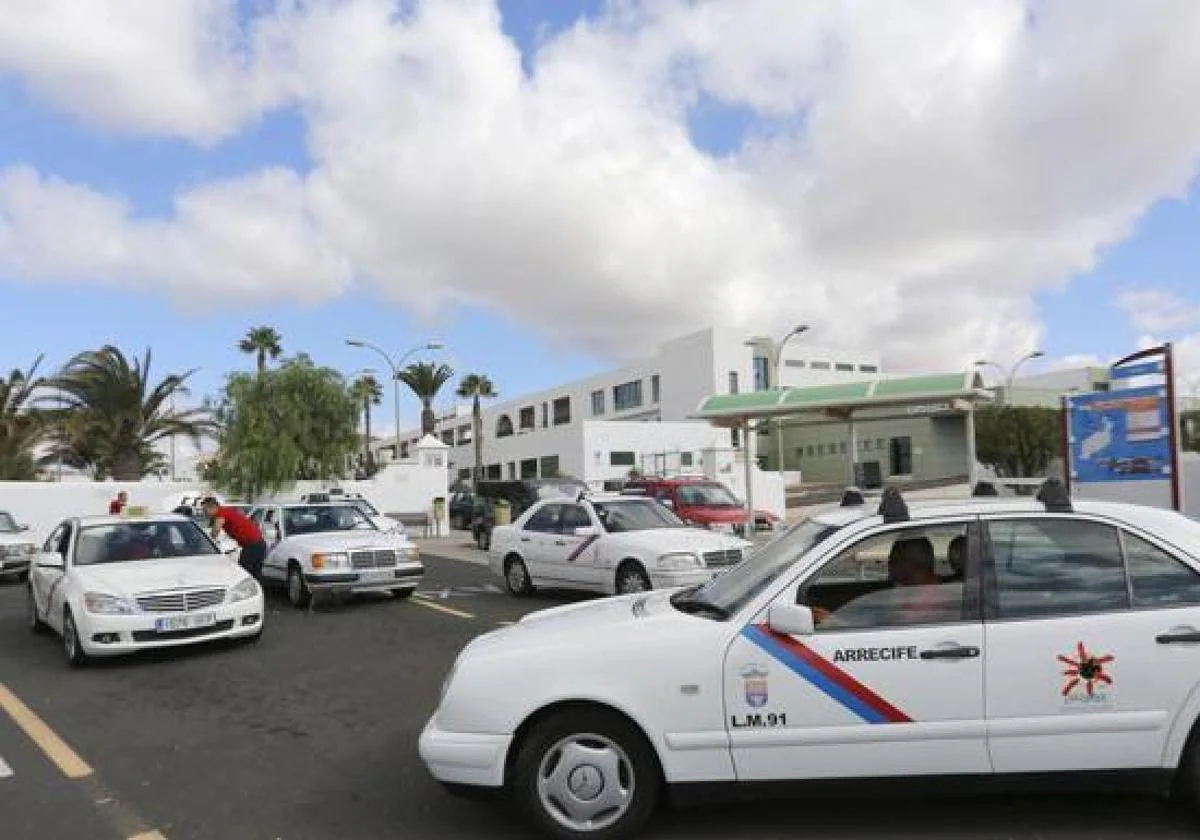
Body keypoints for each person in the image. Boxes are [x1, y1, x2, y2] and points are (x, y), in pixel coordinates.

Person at [201, 496, 266, 581]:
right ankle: (258, 591)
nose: (204, 513)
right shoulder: (225, 511)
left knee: (244, 571)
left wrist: (207, 543)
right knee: (255, 572)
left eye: (205, 510)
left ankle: (248, 591)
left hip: (252, 545)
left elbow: (216, 530)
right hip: (258, 543)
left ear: (212, 507)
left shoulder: (221, 513)